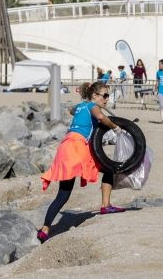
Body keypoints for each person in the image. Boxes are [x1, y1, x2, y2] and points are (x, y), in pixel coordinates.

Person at [38, 82, 125, 243]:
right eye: (104, 95)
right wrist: (116, 127)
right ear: (94, 95)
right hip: (78, 147)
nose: (107, 99)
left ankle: (45, 229)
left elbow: (72, 110)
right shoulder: (93, 105)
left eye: (108, 96)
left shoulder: (81, 106)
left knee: (63, 195)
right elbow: (100, 117)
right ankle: (106, 205)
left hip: (65, 147)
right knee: (108, 169)